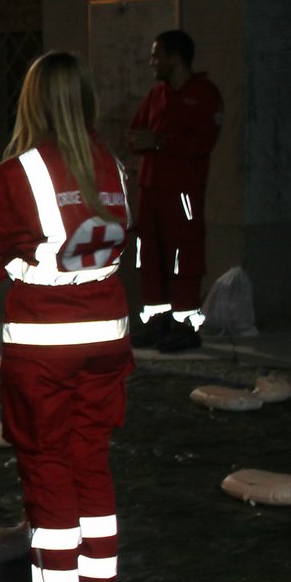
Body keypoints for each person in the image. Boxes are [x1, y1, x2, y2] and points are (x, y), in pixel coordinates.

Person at [0, 52, 133, 582]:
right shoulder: (115, 167)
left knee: (47, 469)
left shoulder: (18, 174)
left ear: (31, 102)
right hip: (107, 341)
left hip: (45, 345)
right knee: (91, 463)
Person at [125, 29, 223, 352]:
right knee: (150, 256)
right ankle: (157, 322)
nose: (152, 62)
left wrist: (161, 141)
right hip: (150, 189)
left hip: (182, 193)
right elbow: (137, 129)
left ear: (175, 58)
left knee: (184, 256)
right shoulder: (156, 96)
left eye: (157, 55)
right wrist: (139, 141)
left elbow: (204, 141)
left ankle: (185, 326)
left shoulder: (204, 94)